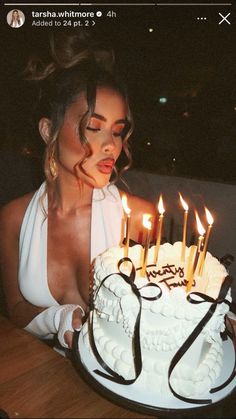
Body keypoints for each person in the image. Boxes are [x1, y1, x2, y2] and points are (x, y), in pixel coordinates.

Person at [0, 31, 157, 351]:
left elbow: (158, 315)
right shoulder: (13, 218)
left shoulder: (139, 219)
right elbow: (16, 309)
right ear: (49, 131)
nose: (111, 145)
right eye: (93, 127)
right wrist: (57, 319)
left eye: (117, 131)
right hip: (44, 380)